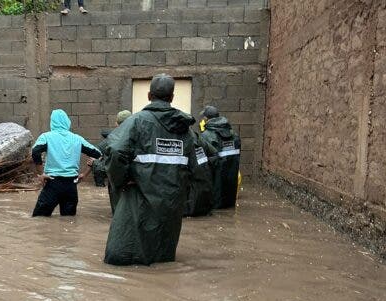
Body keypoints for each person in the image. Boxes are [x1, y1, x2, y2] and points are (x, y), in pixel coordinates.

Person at [103, 74, 198, 266]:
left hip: (140, 196)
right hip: (171, 201)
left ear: (149, 95)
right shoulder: (185, 130)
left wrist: (120, 181)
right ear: (172, 97)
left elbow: (115, 149)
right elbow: (197, 166)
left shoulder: (136, 122)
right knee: (161, 256)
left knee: (121, 255)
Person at [31, 109, 101, 217]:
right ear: (67, 121)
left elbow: (35, 151)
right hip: (71, 185)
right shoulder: (78, 139)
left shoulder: (46, 137)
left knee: (39, 218)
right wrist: (85, 174)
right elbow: (98, 154)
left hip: (52, 183)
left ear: (52, 122)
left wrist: (41, 174)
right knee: (68, 221)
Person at [200, 105, 241, 209]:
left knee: (215, 208)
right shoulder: (234, 134)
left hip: (215, 189)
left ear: (206, 119)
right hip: (230, 189)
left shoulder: (206, 135)